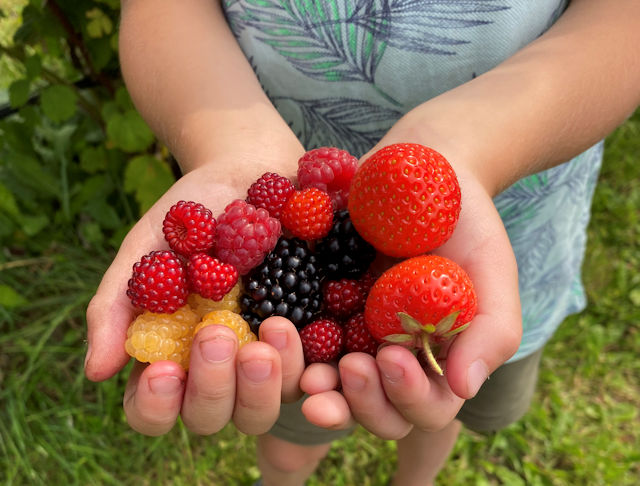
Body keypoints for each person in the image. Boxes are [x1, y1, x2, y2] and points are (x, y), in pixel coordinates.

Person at [84, 1, 640, 485]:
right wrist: (228, 145)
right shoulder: (288, 261)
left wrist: (464, 149)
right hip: (295, 321)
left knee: (445, 399)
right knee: (287, 421)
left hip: (506, 232)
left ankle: (416, 480)